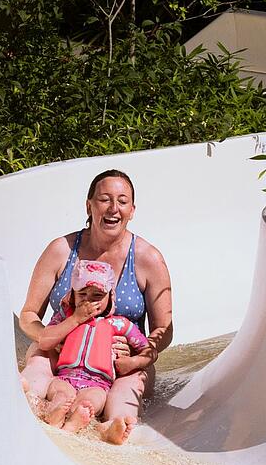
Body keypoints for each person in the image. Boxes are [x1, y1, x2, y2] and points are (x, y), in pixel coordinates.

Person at [19, 169, 173, 441]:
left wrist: (136, 358)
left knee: (130, 382)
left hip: (119, 361)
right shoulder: (61, 250)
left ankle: (116, 424)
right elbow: (29, 314)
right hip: (63, 350)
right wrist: (49, 336)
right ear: (89, 206)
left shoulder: (148, 259)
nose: (114, 208)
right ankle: (31, 398)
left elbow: (164, 329)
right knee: (39, 357)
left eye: (122, 201)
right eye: (104, 199)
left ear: (132, 210)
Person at [23, 258, 150, 443]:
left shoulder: (119, 324)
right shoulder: (65, 319)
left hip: (97, 384)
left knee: (90, 401)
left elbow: (147, 350)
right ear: (72, 295)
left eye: (97, 295)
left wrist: (132, 360)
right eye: (82, 294)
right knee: (61, 394)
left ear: (110, 297)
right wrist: (75, 319)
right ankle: (55, 414)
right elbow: (45, 342)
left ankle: (94, 427)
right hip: (65, 377)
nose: (89, 301)